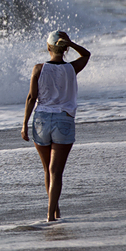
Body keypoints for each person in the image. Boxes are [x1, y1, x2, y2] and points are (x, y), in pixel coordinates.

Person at [21, 30, 91, 222]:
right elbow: (86, 54)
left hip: (41, 120)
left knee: (47, 170)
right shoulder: (71, 68)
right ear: (66, 48)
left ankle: (55, 212)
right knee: (56, 172)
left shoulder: (38, 69)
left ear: (48, 47)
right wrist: (71, 43)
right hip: (63, 120)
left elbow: (31, 98)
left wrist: (24, 124)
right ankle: (51, 215)